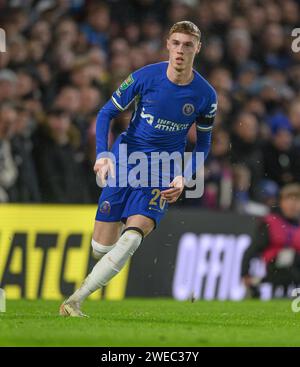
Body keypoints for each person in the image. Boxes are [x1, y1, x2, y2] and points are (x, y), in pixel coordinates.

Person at [59, 21, 218, 317]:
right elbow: (107, 112)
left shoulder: (205, 96)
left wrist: (184, 174)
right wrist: (103, 154)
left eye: (187, 44)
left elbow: (204, 145)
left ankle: (75, 301)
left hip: (162, 171)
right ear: (167, 45)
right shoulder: (144, 77)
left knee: (131, 238)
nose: (180, 50)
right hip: (126, 161)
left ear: (198, 48)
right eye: (176, 43)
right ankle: (112, 240)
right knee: (100, 250)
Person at [242, 183, 300, 297]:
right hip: (275, 269)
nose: (292, 205)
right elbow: (252, 249)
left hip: (296, 268)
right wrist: (245, 274)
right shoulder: (271, 223)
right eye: (288, 200)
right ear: (281, 202)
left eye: (296, 200)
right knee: (288, 258)